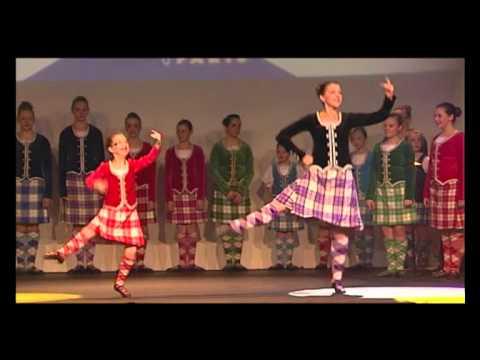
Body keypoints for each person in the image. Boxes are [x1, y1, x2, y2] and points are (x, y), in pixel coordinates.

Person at [229, 78, 396, 294]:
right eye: (333, 92)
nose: (338, 95)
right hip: (318, 177)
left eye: (340, 92)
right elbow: (283, 135)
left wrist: (389, 98)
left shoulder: (347, 119)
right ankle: (243, 223)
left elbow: (378, 116)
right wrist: (301, 155)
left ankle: (337, 280)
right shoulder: (313, 119)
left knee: (340, 229)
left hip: (341, 179)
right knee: (283, 201)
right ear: (322, 97)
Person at [45, 130, 163, 298]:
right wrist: (98, 185)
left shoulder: (132, 164)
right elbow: (89, 179)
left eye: (124, 142)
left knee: (132, 248)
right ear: (111, 149)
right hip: (111, 211)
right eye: (118, 143)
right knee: (87, 231)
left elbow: (149, 159)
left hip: (129, 212)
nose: (123, 144)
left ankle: (120, 283)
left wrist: (157, 144)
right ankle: (62, 252)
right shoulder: (106, 167)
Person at [366, 113, 417, 277]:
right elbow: (373, 172)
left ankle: (400, 266)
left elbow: (410, 171)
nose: (387, 129)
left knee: (400, 228)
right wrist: (371, 195)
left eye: (391, 126)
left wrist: (409, 194)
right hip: (382, 190)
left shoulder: (405, 147)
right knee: (386, 229)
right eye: (385, 126)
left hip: (399, 190)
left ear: (399, 127)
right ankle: (392, 265)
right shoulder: (377, 147)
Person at [59, 96, 105, 273]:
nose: (81, 113)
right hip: (72, 182)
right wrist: (62, 189)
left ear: (88, 111)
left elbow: (101, 164)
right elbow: (62, 164)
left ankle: (91, 262)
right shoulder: (65, 134)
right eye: (77, 109)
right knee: (77, 224)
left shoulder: (96, 134)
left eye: (84, 109)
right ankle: (80, 262)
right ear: (73, 111)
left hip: (92, 182)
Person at [424, 103, 464, 278]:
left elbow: (463, 167)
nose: (436, 119)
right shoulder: (436, 140)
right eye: (435, 116)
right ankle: (446, 266)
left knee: (455, 229)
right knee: (443, 229)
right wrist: (426, 192)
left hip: (453, 187)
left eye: (440, 115)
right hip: (436, 189)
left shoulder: (459, 138)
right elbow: (431, 167)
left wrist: (462, 194)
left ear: (451, 117)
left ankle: (454, 267)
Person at [210, 114, 254, 271]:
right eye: (234, 125)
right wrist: (226, 190)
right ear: (227, 127)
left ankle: (238, 261)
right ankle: (229, 261)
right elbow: (214, 170)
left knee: (238, 227)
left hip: (240, 193)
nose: (237, 128)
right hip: (224, 192)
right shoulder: (218, 147)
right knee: (226, 226)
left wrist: (241, 191)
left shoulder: (246, 148)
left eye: (239, 125)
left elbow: (250, 171)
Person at [16, 101, 53, 274]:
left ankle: (29, 264)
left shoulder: (42, 142)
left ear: (33, 119)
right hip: (17, 186)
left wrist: (48, 194)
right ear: (18, 120)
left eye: (29, 119)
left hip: (36, 187)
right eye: (23, 119)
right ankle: (19, 264)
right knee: (18, 226)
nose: (26, 122)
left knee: (32, 226)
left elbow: (48, 169)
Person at [165, 119, 207, 271]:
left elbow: (202, 175)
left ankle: (192, 262)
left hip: (193, 194)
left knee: (192, 227)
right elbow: (168, 177)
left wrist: (201, 196)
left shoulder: (198, 151)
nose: (181, 133)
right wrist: (169, 198)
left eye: (184, 130)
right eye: (179, 131)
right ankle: (183, 262)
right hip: (177, 195)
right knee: (181, 228)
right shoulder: (170, 152)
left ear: (190, 132)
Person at [262, 143, 305, 270]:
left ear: (289, 154)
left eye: (284, 152)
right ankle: (281, 262)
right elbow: (267, 186)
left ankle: (289, 262)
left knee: (290, 232)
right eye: (279, 152)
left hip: (291, 205)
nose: (281, 155)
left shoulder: (296, 168)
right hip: (278, 204)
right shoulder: (272, 168)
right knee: (280, 233)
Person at [125, 112, 157, 272]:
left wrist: (151, 197)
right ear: (126, 128)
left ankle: (141, 262)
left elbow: (151, 175)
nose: (132, 129)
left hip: (143, 192)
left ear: (140, 128)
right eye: (129, 126)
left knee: (142, 228)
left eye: (135, 126)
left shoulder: (147, 148)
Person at [349, 127, 375, 269]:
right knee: (357, 228)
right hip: (354, 197)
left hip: (367, 196)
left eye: (359, 138)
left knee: (368, 227)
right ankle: (360, 259)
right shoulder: (350, 157)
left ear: (364, 139)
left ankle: (368, 260)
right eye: (354, 139)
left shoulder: (370, 156)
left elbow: (374, 176)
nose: (356, 141)